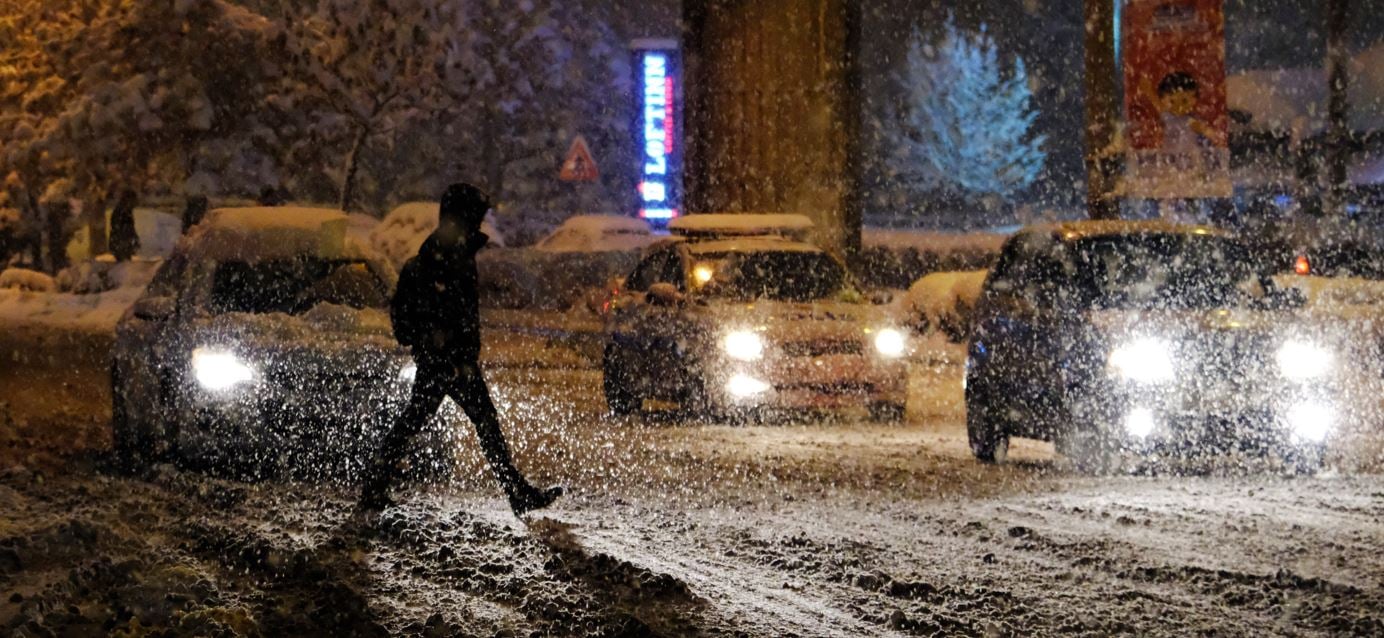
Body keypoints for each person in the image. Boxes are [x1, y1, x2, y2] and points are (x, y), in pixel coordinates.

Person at [360, 183, 562, 515]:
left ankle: (374, 486)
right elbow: (444, 312)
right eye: (477, 217)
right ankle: (515, 492)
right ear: (463, 217)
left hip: (446, 358)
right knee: (479, 422)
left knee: (420, 420)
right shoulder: (447, 256)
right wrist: (449, 346)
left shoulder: (446, 253)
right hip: (449, 360)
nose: (481, 225)